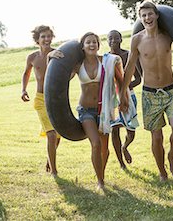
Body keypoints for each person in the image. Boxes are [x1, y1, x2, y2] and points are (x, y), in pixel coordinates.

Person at [120, 0, 173, 181]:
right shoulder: (137, 40)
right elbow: (130, 67)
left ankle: (171, 155)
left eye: (150, 14)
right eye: (143, 15)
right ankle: (162, 172)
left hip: (171, 91)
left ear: (156, 15)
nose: (147, 18)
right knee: (156, 138)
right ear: (140, 18)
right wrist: (123, 93)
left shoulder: (168, 35)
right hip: (149, 94)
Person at [50, 32, 127, 190]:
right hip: (86, 111)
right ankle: (100, 181)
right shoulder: (78, 66)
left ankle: (102, 175)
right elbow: (59, 79)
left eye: (94, 42)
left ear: (98, 45)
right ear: (83, 46)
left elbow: (120, 80)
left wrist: (123, 99)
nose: (92, 45)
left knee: (105, 148)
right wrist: (50, 57)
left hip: (104, 109)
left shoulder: (106, 61)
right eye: (88, 42)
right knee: (96, 144)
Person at [21, 25, 61, 177]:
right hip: (40, 99)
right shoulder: (32, 57)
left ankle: (49, 160)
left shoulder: (57, 54)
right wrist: (23, 89)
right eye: (43, 37)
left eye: (49, 36)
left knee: (57, 136)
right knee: (51, 134)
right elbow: (26, 74)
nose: (46, 39)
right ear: (37, 40)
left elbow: (69, 71)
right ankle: (54, 171)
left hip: (56, 99)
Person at [107, 30, 142, 169]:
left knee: (131, 132)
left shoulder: (129, 55)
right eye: (110, 38)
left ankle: (125, 147)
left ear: (121, 39)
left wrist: (124, 88)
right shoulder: (105, 58)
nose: (113, 41)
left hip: (129, 96)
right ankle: (121, 163)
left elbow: (139, 79)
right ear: (107, 41)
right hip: (112, 100)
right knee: (114, 130)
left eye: (116, 38)